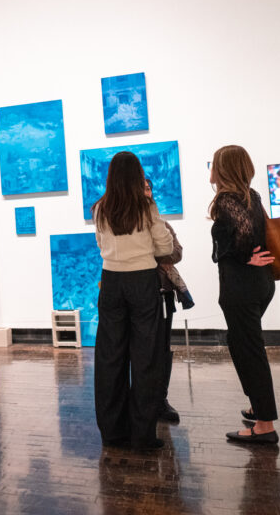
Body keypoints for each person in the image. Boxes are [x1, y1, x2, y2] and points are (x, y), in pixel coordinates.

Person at [94, 152, 174, 450]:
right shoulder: (146, 205)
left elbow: (101, 244)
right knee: (146, 358)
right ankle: (142, 434)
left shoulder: (100, 208)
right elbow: (164, 244)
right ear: (138, 176)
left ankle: (112, 432)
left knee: (110, 357)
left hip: (111, 282)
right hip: (142, 280)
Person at [209, 145, 279, 444]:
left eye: (213, 163)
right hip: (261, 283)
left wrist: (242, 256)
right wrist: (248, 255)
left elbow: (244, 233)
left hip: (242, 286)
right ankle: (257, 406)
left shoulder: (226, 200)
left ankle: (265, 426)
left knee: (250, 351)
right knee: (240, 343)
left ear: (222, 168)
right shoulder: (253, 196)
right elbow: (252, 230)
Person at [144, 178, 193, 424]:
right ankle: (143, 399)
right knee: (143, 350)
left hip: (164, 293)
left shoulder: (163, 224)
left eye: (149, 188)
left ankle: (161, 399)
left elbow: (177, 252)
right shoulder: (133, 226)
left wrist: (155, 253)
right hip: (141, 294)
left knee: (163, 349)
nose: (147, 191)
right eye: (142, 187)